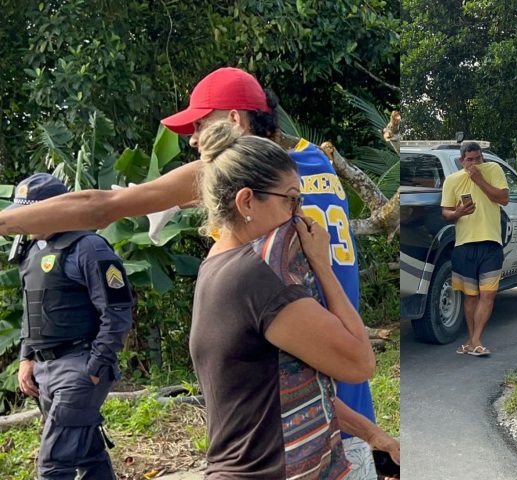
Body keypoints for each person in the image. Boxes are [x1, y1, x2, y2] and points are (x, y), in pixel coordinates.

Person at [0, 67, 397, 476]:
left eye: (201, 123)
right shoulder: (310, 161)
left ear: (235, 122)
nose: (192, 138)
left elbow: (101, 206)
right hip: (328, 362)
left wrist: (7, 222)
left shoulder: (246, 184)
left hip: (303, 390)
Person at [190, 121, 375, 478]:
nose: (300, 214)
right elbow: (360, 363)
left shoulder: (218, 260)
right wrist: (322, 264)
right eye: (291, 199)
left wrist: (373, 434)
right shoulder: (256, 278)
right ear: (246, 201)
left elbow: (284, 391)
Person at [12, 173, 133, 480]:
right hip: (45, 370)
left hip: (78, 368)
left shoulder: (90, 247)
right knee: (89, 455)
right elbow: (32, 309)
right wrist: (27, 358)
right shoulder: (33, 252)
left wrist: (95, 366)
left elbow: (117, 311)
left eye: (30, 211)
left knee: (54, 465)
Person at [441, 142, 509, 357]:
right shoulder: (452, 181)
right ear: (462, 161)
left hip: (491, 243)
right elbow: (446, 212)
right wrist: (458, 213)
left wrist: (478, 180)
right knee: (470, 296)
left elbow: (504, 199)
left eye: (478, 158)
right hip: (464, 244)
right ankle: (472, 342)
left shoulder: (493, 171)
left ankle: (475, 339)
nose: (474, 163)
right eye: (470, 159)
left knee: (488, 295)